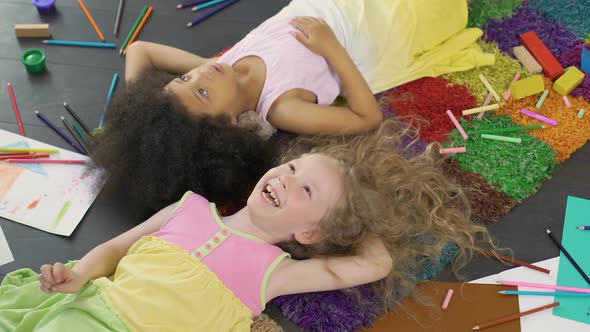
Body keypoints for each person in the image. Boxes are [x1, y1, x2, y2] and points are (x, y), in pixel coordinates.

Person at [0, 120, 495, 331]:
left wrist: (364, 208)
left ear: (310, 234)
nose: (286, 177)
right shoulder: (188, 209)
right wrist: (81, 272)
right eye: (294, 167)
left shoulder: (276, 270)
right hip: (95, 317)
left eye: (307, 192)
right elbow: (116, 248)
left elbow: (375, 262)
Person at [92, 0, 493, 216]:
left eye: (182, 79)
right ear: (230, 123)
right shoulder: (282, 107)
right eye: (200, 93)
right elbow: (366, 118)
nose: (199, 76)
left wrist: (148, 121)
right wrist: (330, 47)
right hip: (386, 23)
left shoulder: (223, 66)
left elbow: (140, 49)